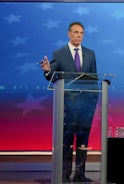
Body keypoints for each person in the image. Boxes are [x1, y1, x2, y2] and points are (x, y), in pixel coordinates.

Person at [40, 21, 98, 183]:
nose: (79, 35)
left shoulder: (90, 54)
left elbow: (94, 79)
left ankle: (80, 175)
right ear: (69, 34)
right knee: (67, 140)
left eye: (81, 33)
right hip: (67, 105)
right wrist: (47, 71)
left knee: (83, 140)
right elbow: (53, 75)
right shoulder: (59, 53)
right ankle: (64, 175)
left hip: (87, 105)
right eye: (76, 32)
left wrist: (94, 99)